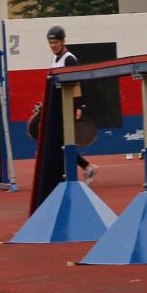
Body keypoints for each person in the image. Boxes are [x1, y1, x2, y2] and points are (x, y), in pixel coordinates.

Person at [44, 25, 94, 183]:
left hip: (68, 106)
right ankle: (85, 167)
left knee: (62, 141)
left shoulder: (69, 59)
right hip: (57, 105)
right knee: (59, 141)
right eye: (51, 43)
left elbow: (79, 84)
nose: (53, 46)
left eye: (56, 42)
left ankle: (84, 168)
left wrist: (79, 107)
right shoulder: (54, 59)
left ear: (63, 41)